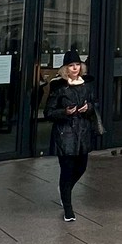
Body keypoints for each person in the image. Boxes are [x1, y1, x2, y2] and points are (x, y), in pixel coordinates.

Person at [45, 50, 101, 222]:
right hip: (65, 134)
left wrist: (88, 107)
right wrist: (65, 112)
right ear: (65, 69)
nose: (75, 68)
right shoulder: (59, 87)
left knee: (81, 167)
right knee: (67, 170)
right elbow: (48, 112)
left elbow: (95, 104)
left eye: (77, 65)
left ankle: (65, 190)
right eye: (71, 65)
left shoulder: (87, 85)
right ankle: (68, 209)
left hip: (83, 132)